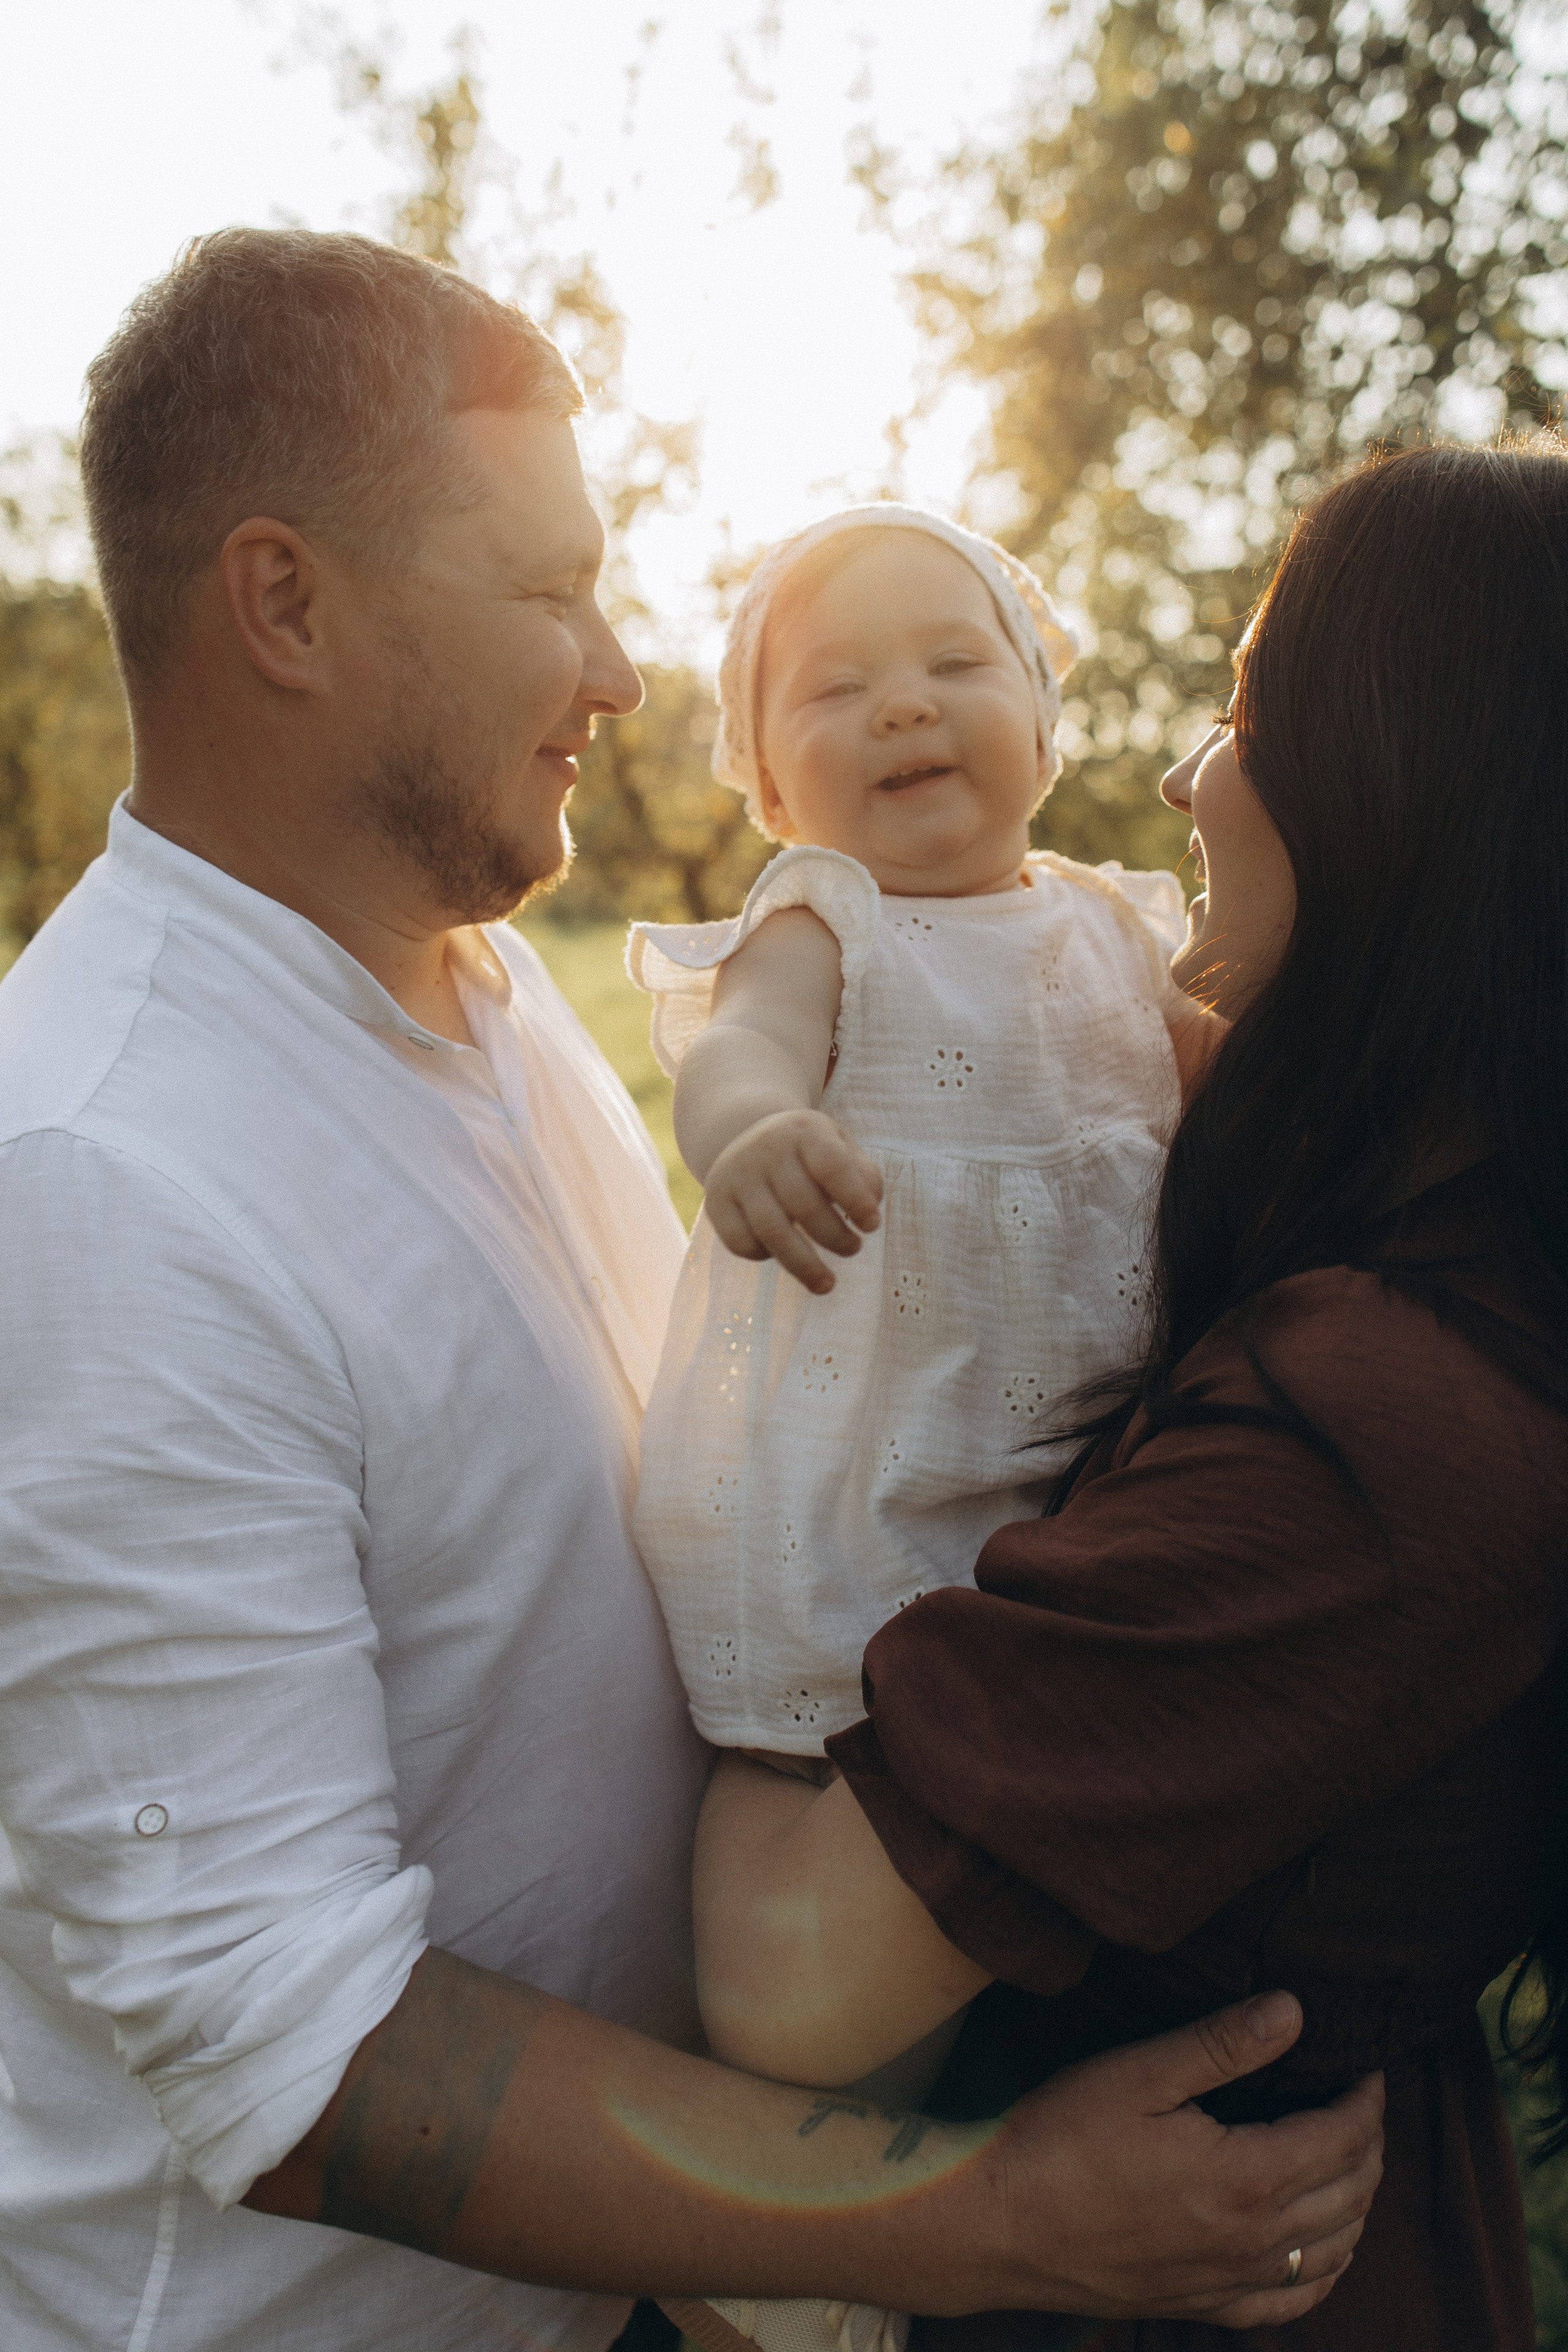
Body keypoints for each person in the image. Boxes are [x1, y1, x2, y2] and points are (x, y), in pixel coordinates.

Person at [0, 229, 1379, 2352]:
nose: (625, 670)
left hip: (638, 2284)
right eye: (547, 590)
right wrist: (992, 2218)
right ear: (285, 603)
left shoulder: (468, 984)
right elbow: (298, 2058)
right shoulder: (100, 1185)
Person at [692, 442, 1568, 2351]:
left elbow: (783, 1981)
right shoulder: (1429, 1257)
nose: (1185, 773)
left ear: (1405, 782)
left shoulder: (1379, 1441)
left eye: (1253, 711)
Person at [626, 505, 1215, 2352]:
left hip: (1064, 1498)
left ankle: (879, 2220)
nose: (905, 708)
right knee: (795, 1837)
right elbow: (739, 1045)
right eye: (836, 686)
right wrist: (746, 1132)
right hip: (855, 1499)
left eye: (958, 663)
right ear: (760, 771)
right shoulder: (831, 919)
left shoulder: (1124, 932)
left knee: (961, 1897)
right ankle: (776, 2266)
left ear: (1049, 711)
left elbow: (1250, 1104)